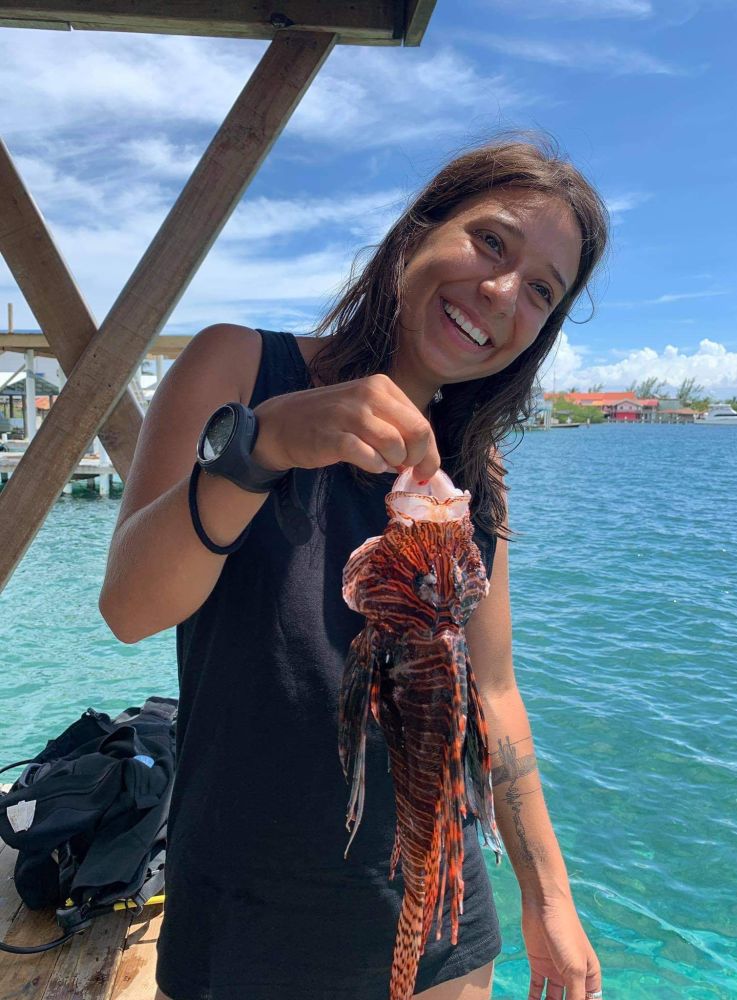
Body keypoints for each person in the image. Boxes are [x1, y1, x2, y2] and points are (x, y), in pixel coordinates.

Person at [99, 134, 608, 1000]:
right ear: (416, 231)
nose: (500, 291)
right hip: (245, 912)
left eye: (540, 292)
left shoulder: (476, 475)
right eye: (492, 242)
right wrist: (264, 448)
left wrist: (549, 899)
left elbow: (493, 692)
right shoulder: (239, 368)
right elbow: (131, 607)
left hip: (443, 916)